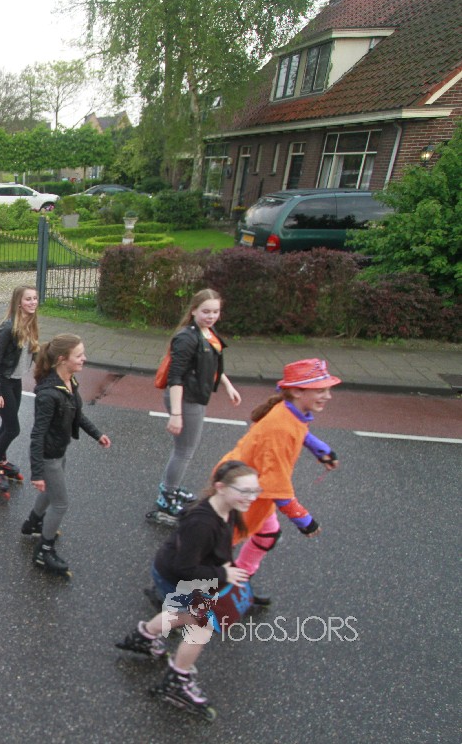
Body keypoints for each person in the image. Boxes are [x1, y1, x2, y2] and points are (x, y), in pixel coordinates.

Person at [115, 460, 257, 720]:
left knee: (183, 614)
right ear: (220, 487)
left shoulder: (228, 509)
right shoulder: (202, 523)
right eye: (244, 491)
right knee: (201, 625)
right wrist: (223, 574)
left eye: (255, 491)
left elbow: (217, 549)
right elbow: (185, 568)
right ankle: (177, 681)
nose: (252, 497)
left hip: (191, 574)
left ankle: (145, 636)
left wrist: (225, 569)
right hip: (178, 576)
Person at [216, 358, 340, 603]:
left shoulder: (291, 411)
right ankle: (181, 596)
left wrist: (320, 449)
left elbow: (300, 430)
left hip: (251, 488)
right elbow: (276, 484)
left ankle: (237, 585)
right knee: (217, 549)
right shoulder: (279, 428)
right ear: (297, 391)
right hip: (238, 492)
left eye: (328, 390)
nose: (328, 396)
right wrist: (303, 520)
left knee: (267, 534)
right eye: (320, 390)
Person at [151, 289, 243, 525]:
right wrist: (176, 414)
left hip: (194, 398)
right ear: (193, 311)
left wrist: (228, 386)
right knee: (184, 451)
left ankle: (171, 488)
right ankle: (166, 497)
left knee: (184, 449)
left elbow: (213, 365)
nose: (211, 316)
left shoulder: (208, 333)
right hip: (185, 399)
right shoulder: (186, 338)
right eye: (206, 311)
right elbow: (175, 377)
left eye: (215, 312)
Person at [23, 334, 111, 576]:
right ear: (62, 359)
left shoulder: (69, 381)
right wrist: (37, 472)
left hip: (60, 451)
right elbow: (37, 435)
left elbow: (77, 414)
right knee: (60, 503)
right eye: (79, 355)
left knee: (50, 494)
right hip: (49, 456)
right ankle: (43, 551)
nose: (84, 358)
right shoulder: (48, 394)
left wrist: (97, 434)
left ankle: (33, 523)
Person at [0, 286, 40, 491]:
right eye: (28, 299)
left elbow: (34, 353)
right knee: (13, 428)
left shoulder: (30, 324)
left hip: (16, 381)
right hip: (4, 381)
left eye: (35, 298)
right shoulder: (8, 328)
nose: (33, 302)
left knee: (7, 424)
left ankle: (0, 459)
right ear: (19, 303)